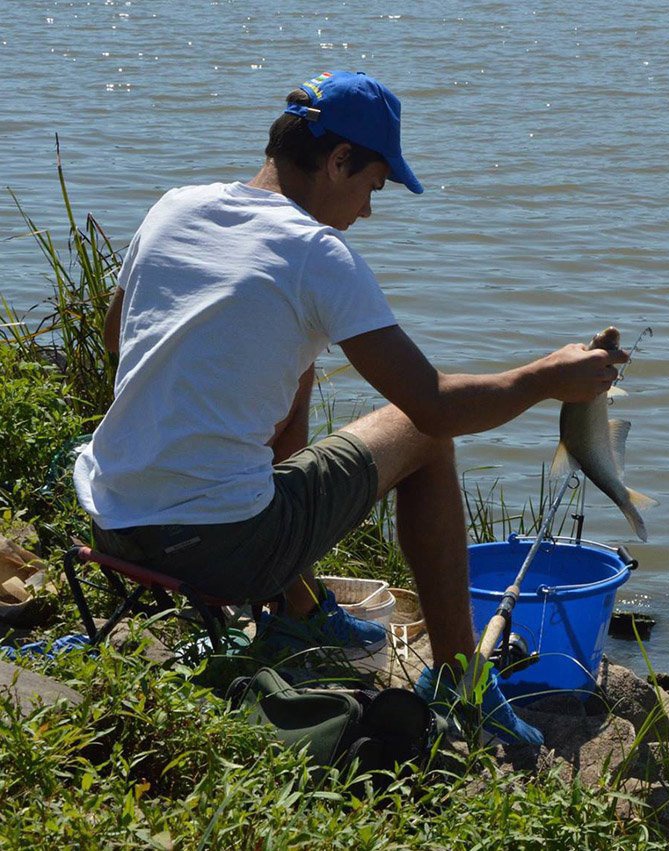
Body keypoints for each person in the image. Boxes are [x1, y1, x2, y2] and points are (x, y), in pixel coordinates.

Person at [73, 70, 626, 745]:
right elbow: (436, 404)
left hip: (112, 522)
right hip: (219, 551)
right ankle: (461, 681)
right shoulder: (317, 255)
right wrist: (547, 376)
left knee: (294, 366)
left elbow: (115, 338)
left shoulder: (176, 205)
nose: (366, 209)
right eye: (371, 186)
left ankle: (299, 609)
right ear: (338, 160)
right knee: (421, 434)